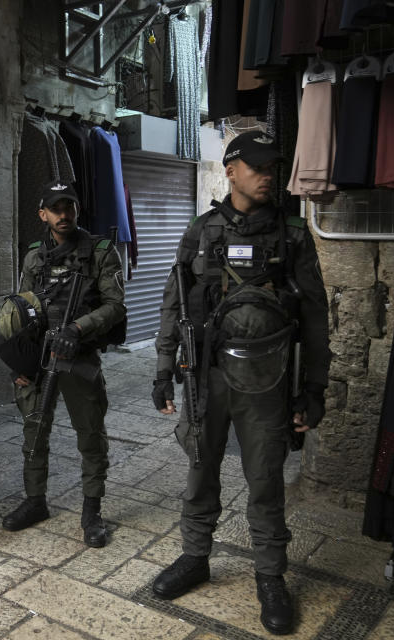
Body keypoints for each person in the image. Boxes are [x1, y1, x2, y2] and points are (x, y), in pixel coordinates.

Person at [149, 131, 331, 635]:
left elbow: (316, 319)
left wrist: (314, 388)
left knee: (266, 481)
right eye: (257, 166)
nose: (268, 174)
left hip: (268, 381)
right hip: (207, 376)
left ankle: (271, 576)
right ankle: (195, 557)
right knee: (199, 470)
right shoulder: (201, 231)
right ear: (231, 170)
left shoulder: (292, 236)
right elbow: (173, 305)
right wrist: (164, 370)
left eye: (273, 165)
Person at [1, 181, 126, 548]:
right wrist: (18, 361)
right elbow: (22, 309)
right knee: (34, 432)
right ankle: (35, 501)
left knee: (90, 436)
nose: (64, 214)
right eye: (56, 208)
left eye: (69, 206)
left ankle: (92, 511)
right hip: (40, 357)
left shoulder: (100, 252)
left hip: (79, 356)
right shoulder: (35, 256)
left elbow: (115, 304)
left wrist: (78, 327)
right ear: (44, 215)